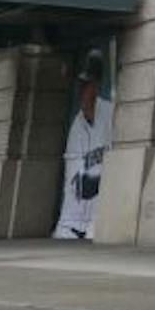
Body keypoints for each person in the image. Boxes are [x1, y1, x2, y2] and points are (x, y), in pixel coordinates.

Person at [54, 52, 110, 241]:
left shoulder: (112, 115)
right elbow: (73, 180)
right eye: (81, 86)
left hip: (99, 221)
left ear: (97, 87)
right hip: (70, 222)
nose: (83, 92)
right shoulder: (75, 127)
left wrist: (98, 182)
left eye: (87, 86)